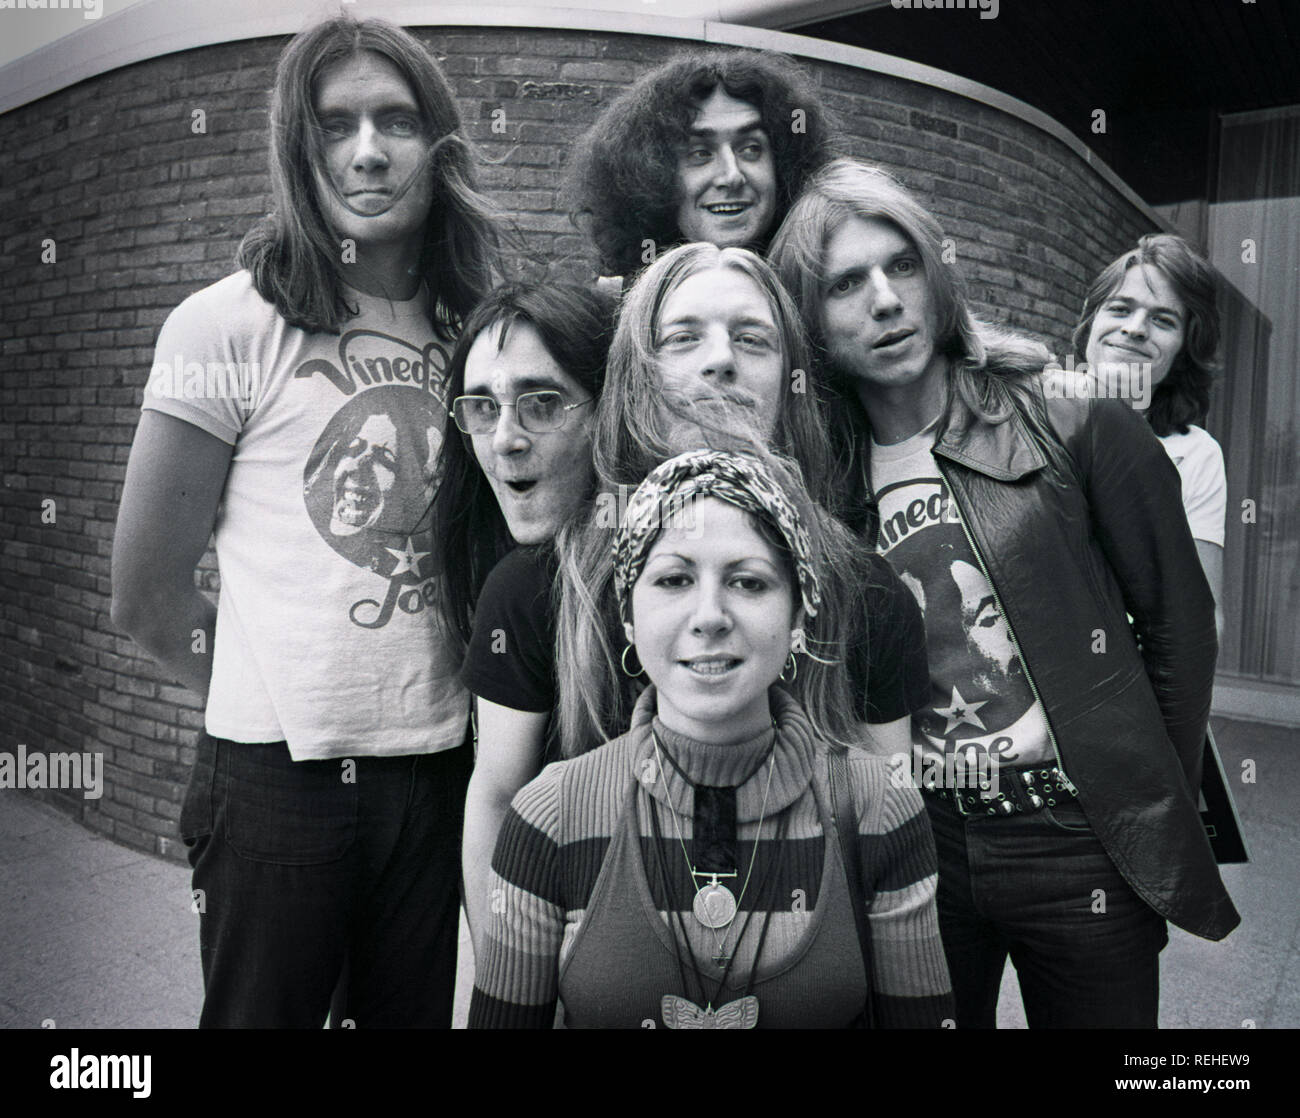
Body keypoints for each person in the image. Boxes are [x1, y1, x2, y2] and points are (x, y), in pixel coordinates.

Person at [771, 158, 1239, 1029]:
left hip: (1077, 837)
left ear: (937, 274)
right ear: (811, 319)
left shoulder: (1071, 414)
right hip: (922, 839)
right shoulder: (818, 479)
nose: (885, 299)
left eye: (902, 265)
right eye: (845, 284)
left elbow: (1182, 628)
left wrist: (1136, 798)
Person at [110, 15, 500, 1028]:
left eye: (396, 120)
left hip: (438, 774)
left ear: (438, 142)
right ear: (299, 146)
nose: (367, 149)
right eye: (335, 125)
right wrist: (270, 690)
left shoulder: (480, 330)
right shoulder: (225, 325)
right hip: (274, 782)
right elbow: (147, 593)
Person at [461, 243, 931, 963]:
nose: (721, 361)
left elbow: (889, 827)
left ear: (790, 379)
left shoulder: (866, 593)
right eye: (684, 338)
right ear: (637, 374)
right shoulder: (539, 587)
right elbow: (496, 800)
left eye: (752, 338)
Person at [469, 449, 953, 1028]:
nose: (709, 615)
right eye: (674, 580)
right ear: (629, 616)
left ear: (799, 615)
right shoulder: (552, 815)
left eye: (748, 582)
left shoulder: (880, 808)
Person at [432, 281, 614, 957]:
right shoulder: (520, 588)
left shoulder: (692, 555)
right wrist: (506, 985)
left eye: (542, 404)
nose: (505, 439)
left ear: (608, 406)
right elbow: (496, 798)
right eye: (483, 408)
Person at [566, 49, 836, 281]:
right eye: (700, 153)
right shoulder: (615, 312)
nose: (732, 176)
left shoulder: (823, 301)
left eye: (751, 149)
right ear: (654, 177)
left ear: (784, 167)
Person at [1076, 233, 1226, 635]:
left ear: (1184, 348)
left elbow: (1202, 620)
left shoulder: (1193, 454)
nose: (1135, 329)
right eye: (1120, 308)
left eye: (1163, 320)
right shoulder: (1028, 411)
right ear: (1091, 322)